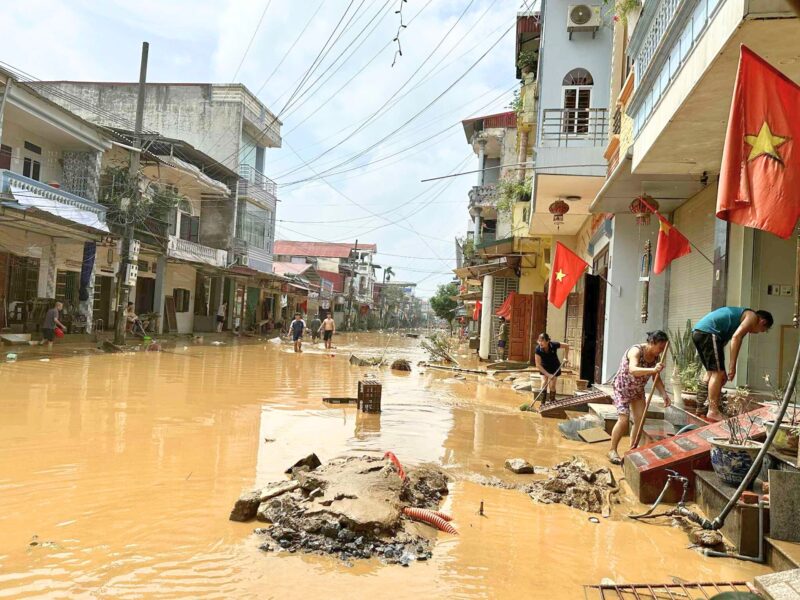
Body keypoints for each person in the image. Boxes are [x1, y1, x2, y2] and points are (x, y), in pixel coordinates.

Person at [692, 307, 773, 421]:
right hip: (709, 332)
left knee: (712, 373)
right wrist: (732, 367)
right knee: (717, 374)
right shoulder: (752, 317)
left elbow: (724, 345)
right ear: (762, 322)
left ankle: (701, 409)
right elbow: (736, 338)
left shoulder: (739, 320)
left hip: (699, 332)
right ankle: (713, 411)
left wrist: (724, 371)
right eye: (762, 330)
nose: (757, 332)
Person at [608, 330, 671, 465]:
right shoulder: (636, 351)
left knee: (640, 420)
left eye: (663, 349)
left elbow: (656, 378)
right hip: (622, 389)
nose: (660, 351)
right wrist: (653, 370)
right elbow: (633, 369)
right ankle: (612, 450)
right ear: (652, 343)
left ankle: (632, 448)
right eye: (660, 348)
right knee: (624, 420)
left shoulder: (655, 358)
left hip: (637, 392)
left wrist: (664, 394)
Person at [534, 333, 570, 404]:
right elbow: (538, 365)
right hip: (544, 367)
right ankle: (542, 404)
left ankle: (552, 402)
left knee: (552, 385)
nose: (540, 343)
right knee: (544, 383)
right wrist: (548, 375)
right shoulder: (538, 349)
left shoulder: (553, 345)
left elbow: (567, 346)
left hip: (554, 367)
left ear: (547, 341)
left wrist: (565, 357)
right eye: (539, 341)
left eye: (542, 341)